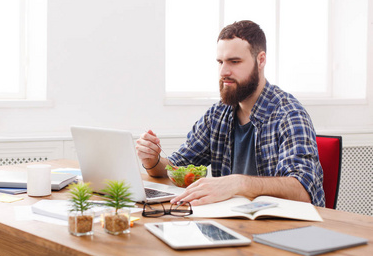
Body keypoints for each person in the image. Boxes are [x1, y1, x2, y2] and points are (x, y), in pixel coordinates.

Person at [136, 20, 325, 207]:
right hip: (233, 224)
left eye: (234, 62)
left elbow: (302, 191)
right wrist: (153, 160)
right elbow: (175, 167)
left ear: (261, 60)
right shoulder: (218, 114)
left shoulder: (289, 114)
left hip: (286, 230)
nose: (223, 71)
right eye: (220, 62)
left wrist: (238, 183)